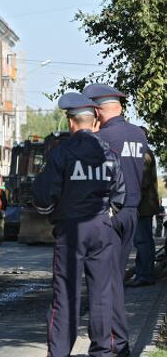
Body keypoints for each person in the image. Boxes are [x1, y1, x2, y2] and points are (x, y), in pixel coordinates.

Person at [33, 92, 125, 357]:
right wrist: (105, 214)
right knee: (102, 294)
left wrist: (53, 212)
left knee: (66, 296)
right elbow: (120, 194)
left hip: (71, 230)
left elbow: (43, 196)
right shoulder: (108, 152)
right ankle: (102, 352)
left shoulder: (62, 153)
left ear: (71, 122)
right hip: (101, 228)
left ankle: (60, 352)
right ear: (94, 121)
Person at [83, 83, 148, 357]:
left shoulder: (102, 139)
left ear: (97, 110)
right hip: (131, 212)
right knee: (114, 280)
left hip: (107, 213)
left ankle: (112, 346)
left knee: (104, 283)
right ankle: (118, 344)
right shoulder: (138, 135)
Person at [127, 128, 160, 287]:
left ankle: (145, 275)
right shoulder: (146, 153)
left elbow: (141, 182)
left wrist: (131, 201)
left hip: (143, 206)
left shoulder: (144, 155)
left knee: (143, 242)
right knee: (144, 241)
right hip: (145, 205)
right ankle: (143, 274)